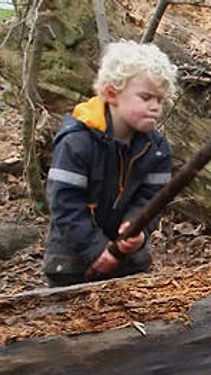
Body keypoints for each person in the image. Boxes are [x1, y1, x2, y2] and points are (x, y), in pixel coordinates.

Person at [42, 41, 178, 287]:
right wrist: (95, 249)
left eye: (159, 99)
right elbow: (64, 203)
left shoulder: (157, 150)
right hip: (71, 260)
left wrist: (137, 228)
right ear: (111, 94)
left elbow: (152, 199)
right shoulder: (77, 142)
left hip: (128, 260)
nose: (155, 107)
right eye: (146, 97)